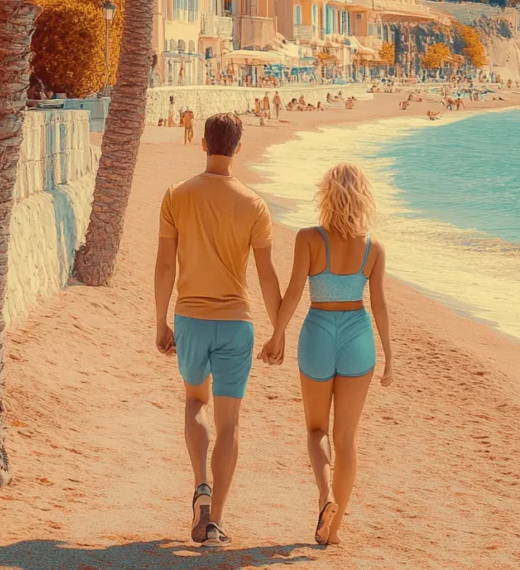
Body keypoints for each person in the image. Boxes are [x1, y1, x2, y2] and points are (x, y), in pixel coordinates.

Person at [154, 113, 283, 548]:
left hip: (190, 317)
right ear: (238, 147)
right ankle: (215, 523)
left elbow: (165, 265)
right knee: (229, 423)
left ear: (203, 143)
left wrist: (160, 320)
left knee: (195, 402)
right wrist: (279, 330)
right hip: (237, 323)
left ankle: (201, 485)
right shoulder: (254, 204)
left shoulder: (177, 195)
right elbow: (266, 276)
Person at [259, 164, 393, 547]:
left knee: (317, 430)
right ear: (363, 197)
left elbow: (295, 291)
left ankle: (325, 496)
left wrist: (277, 336)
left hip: (318, 332)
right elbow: (380, 306)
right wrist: (389, 356)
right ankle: (332, 531)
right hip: (358, 337)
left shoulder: (309, 239)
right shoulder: (373, 248)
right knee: (347, 437)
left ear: (327, 195)